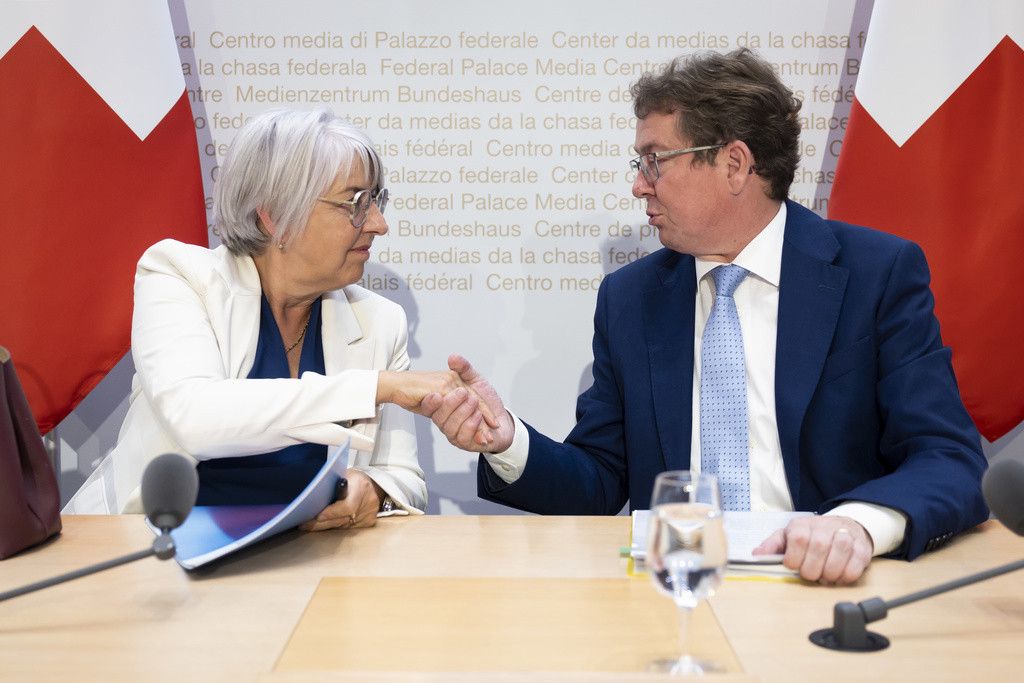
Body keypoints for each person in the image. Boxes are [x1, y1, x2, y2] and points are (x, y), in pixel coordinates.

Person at [424, 49, 988, 585]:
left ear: (734, 164)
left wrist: (857, 526)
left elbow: (947, 457)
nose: (638, 183)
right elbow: (599, 481)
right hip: (673, 585)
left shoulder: (875, 274)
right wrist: (505, 443)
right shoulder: (632, 298)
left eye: (655, 161)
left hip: (822, 585)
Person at [67, 109, 491, 529]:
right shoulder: (178, 275)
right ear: (274, 216)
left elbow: (405, 479)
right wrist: (379, 387)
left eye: (377, 201)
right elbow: (197, 419)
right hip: (140, 556)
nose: (379, 224)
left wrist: (374, 493)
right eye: (357, 203)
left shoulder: (380, 321)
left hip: (297, 566)